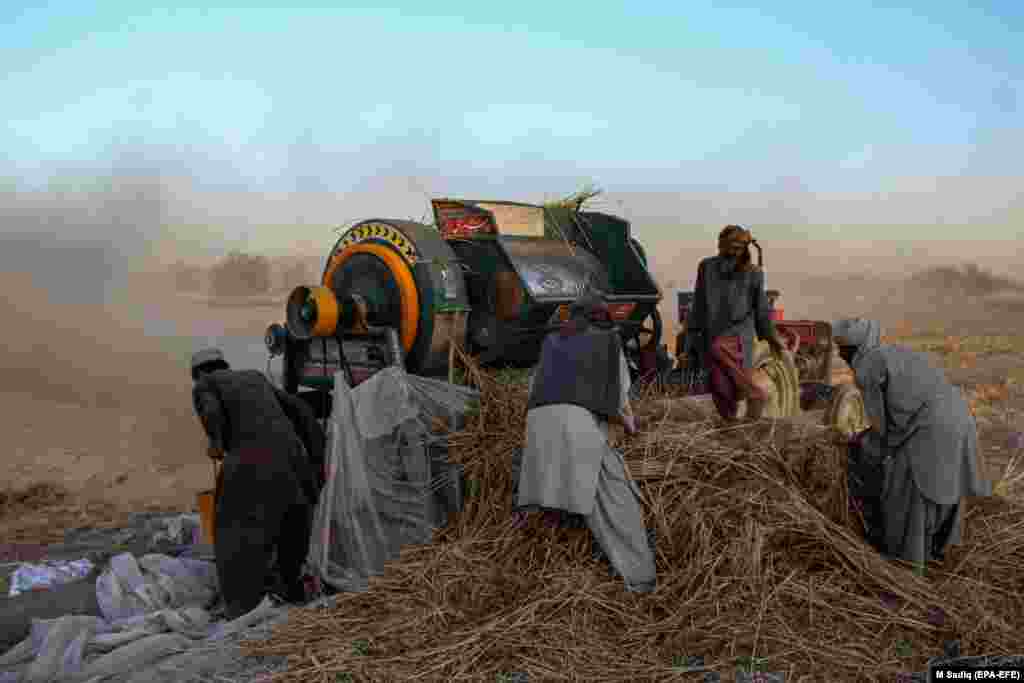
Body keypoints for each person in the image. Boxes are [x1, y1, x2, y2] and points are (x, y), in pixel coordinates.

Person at [514, 294, 657, 593]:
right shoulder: (607, 341)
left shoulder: (553, 341)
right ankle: (639, 579)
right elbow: (619, 401)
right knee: (616, 500)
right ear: (603, 318)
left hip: (538, 424)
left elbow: (535, 387)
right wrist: (632, 427)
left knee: (551, 493)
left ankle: (531, 567)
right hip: (575, 425)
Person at [832, 318, 992, 569]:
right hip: (960, 417)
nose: (840, 355)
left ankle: (908, 565)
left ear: (855, 349)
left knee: (908, 489)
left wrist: (858, 444)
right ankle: (938, 553)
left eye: (842, 349)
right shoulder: (894, 352)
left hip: (929, 428)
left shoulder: (867, 367)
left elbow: (881, 428)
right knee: (946, 483)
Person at [190, 348, 326, 618]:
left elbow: (212, 410)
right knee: (292, 525)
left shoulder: (207, 383)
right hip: (293, 460)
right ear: (224, 363)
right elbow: (300, 409)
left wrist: (216, 442)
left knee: (233, 528)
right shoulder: (255, 376)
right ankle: (291, 590)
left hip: (251, 459)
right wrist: (316, 459)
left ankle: (242, 607)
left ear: (200, 372)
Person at [684, 225, 788, 421]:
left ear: (743, 248)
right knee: (720, 387)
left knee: (719, 352)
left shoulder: (753, 273)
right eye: (728, 245)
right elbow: (698, 304)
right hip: (713, 332)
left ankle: (756, 396)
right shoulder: (706, 267)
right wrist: (689, 341)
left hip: (738, 337)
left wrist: (774, 340)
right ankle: (731, 425)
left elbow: (762, 311)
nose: (732, 251)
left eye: (737, 247)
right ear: (719, 245)